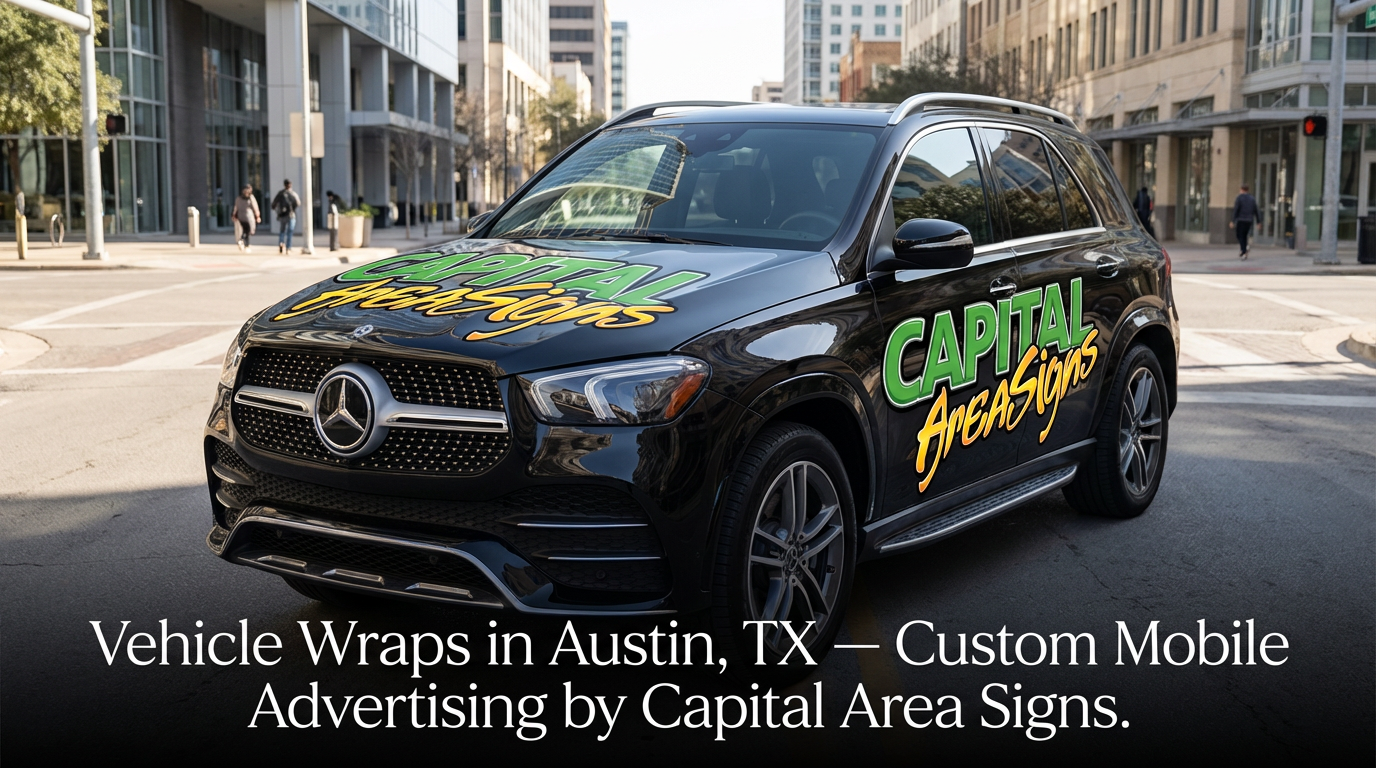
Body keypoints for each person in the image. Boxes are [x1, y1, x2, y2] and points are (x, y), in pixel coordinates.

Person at [1230, 183, 1260, 260]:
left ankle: (1244, 251)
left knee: (1239, 235)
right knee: (1244, 235)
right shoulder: (1252, 198)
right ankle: (1244, 248)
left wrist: (1233, 220)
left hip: (1241, 219)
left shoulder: (1239, 198)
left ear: (1241, 189)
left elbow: (1236, 210)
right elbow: (1256, 210)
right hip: (1249, 220)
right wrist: (1258, 222)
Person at [271, 179, 301, 254]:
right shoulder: (293, 193)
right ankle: (288, 247)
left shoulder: (280, 193)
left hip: (282, 215)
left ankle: (281, 242)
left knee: (282, 231)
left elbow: (273, 204)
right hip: (291, 214)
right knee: (290, 231)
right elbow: (298, 203)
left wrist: (277, 211)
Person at [231, 185, 260, 252]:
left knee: (244, 230)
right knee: (247, 231)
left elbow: (235, 208)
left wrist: (234, 215)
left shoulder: (238, 198)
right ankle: (246, 244)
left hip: (241, 217)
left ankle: (242, 241)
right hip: (248, 217)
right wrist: (257, 216)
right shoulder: (251, 198)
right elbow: (255, 207)